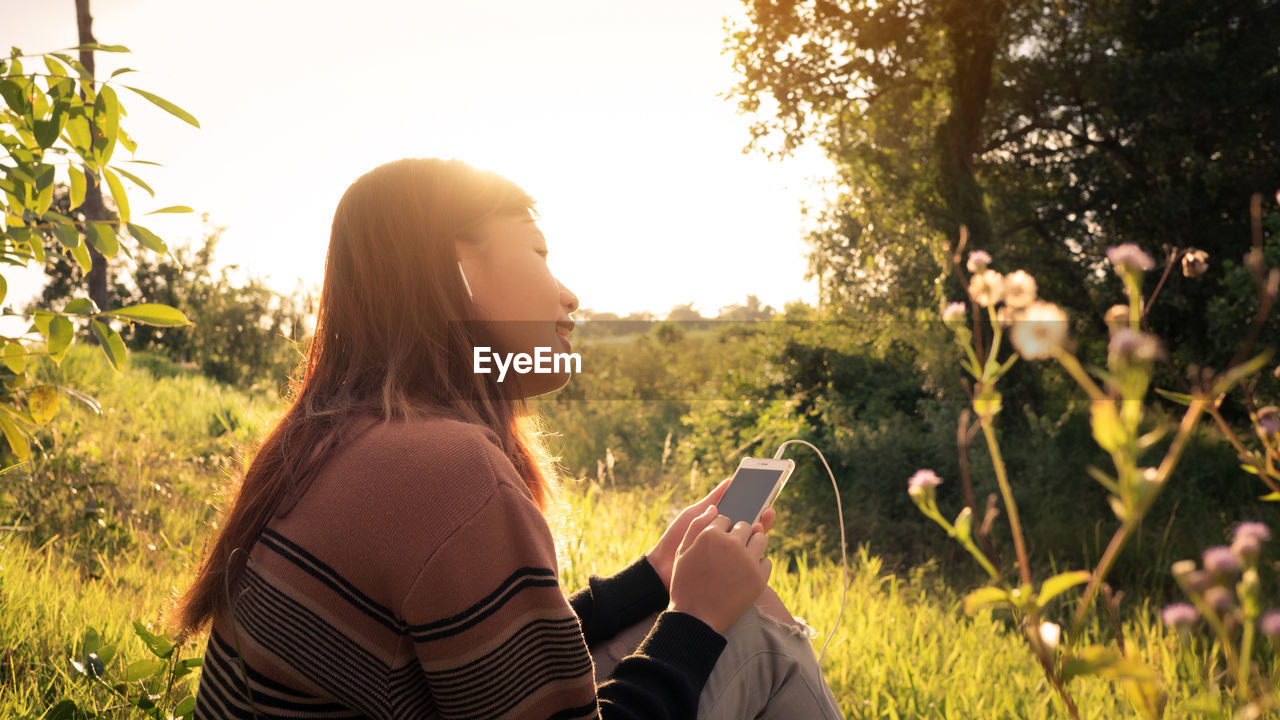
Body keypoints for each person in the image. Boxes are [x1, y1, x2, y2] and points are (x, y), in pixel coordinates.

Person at [174, 157, 844, 719]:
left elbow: (479, 662)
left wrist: (655, 578)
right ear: (453, 275)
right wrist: (695, 617)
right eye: (539, 254)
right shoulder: (448, 469)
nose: (569, 295)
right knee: (755, 633)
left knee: (714, 612)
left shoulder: (336, 435)